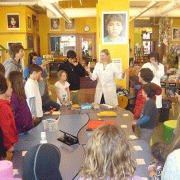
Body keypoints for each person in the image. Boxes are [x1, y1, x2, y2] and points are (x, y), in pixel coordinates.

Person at [0, 74, 19, 153]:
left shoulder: (5, 104)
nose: (12, 89)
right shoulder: (4, 107)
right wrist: (9, 146)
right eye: (10, 87)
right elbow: (4, 130)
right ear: (4, 89)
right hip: (7, 145)